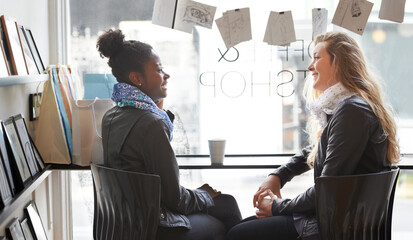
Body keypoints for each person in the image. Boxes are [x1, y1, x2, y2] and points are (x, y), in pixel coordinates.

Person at [227, 31, 400, 240]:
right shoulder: (352, 107)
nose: (310, 66)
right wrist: (280, 175)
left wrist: (278, 206)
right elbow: (320, 151)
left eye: (317, 57)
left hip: (333, 227)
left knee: (237, 234)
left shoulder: (352, 111)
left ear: (339, 63)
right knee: (243, 226)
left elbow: (326, 187)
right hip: (338, 222)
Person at [97, 29, 242, 240]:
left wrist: (158, 112)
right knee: (226, 204)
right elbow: (175, 200)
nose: (166, 75)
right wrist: (203, 194)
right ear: (137, 78)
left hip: (127, 224)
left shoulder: (112, 117)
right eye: (159, 69)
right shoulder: (151, 123)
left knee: (221, 203)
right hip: (155, 227)